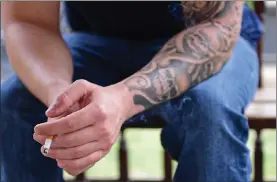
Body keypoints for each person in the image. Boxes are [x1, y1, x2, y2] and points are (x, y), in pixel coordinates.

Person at [1, 2, 262, 182]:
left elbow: (217, 26)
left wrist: (123, 100)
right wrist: (60, 100)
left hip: (207, 40)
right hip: (98, 41)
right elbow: (28, 21)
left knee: (209, 108)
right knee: (17, 101)